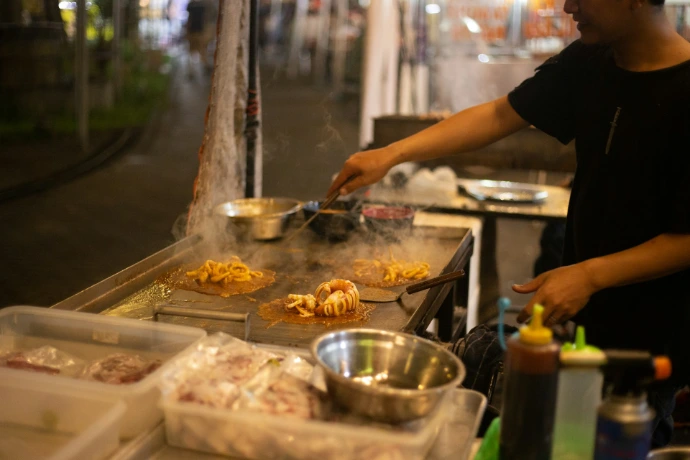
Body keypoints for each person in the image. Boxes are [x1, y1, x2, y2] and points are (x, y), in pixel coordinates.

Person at [329, 0, 690, 446]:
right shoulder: (591, 61)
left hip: (647, 347)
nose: (567, 6)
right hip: (582, 331)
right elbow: (502, 114)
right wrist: (390, 155)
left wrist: (589, 275)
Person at [186, 0, 215, 76]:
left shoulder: (199, 4)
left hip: (198, 31)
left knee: (200, 50)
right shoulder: (197, 5)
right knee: (195, 51)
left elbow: (207, 17)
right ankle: (193, 70)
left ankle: (201, 68)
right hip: (195, 31)